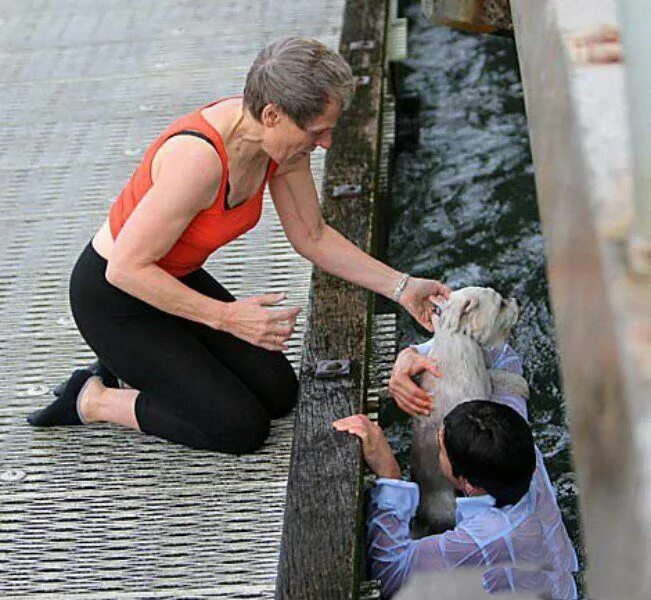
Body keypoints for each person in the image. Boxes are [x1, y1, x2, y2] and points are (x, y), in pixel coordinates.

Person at [26, 37, 450, 455]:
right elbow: (124, 269)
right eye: (317, 131)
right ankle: (93, 398)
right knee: (240, 427)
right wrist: (228, 318)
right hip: (114, 298)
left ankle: (132, 369)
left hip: (172, 280)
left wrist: (402, 287)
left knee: (279, 393)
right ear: (272, 114)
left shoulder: (282, 147)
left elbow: (313, 236)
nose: (326, 144)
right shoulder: (199, 160)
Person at [333, 342, 578, 598]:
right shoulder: (513, 437)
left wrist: (389, 474)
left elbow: (392, 575)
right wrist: (416, 354)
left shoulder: (482, 539)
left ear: (468, 484)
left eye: (440, 447)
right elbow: (503, 356)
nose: (436, 437)